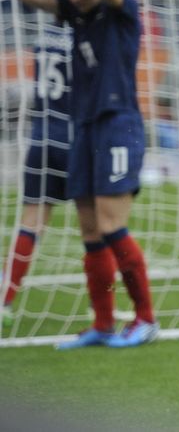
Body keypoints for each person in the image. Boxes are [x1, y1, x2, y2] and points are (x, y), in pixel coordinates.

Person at [13, 0, 158, 348]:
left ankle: (146, 319)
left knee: (113, 227)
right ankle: (103, 323)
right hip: (85, 127)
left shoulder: (121, 9)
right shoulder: (76, 12)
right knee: (91, 233)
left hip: (119, 125)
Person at [1, 23, 72, 327]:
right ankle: (105, 314)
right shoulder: (86, 32)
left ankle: (4, 300)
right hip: (75, 136)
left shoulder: (42, 36)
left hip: (42, 137)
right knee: (102, 225)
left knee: (32, 222)